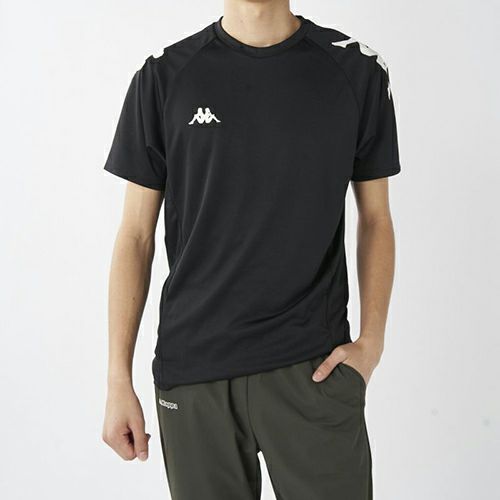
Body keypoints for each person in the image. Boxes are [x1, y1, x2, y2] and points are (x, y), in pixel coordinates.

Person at [102, 1, 400, 498]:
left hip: (312, 369)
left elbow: (376, 219)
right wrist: (118, 380)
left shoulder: (355, 69)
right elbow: (135, 235)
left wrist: (371, 344)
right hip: (194, 373)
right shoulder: (164, 77)